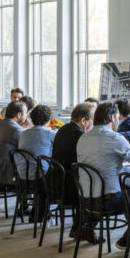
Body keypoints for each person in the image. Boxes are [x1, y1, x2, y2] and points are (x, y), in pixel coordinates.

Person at [76, 101, 130, 248]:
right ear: (112, 118)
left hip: (85, 200)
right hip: (107, 202)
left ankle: (88, 226)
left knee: (126, 190)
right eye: (118, 117)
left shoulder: (83, 138)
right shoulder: (115, 138)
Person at [53, 102, 98, 244]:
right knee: (100, 193)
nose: (94, 124)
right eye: (93, 120)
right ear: (84, 121)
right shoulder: (80, 136)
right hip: (70, 186)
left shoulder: (63, 129)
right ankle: (85, 228)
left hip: (57, 181)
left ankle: (78, 228)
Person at [0, 101, 26, 185]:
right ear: (19, 115)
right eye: (25, 113)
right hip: (5, 173)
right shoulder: (16, 129)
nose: (26, 116)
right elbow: (25, 148)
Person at [16, 104, 56, 180]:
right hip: (40, 174)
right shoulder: (51, 133)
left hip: (21, 172)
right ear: (48, 119)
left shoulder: (23, 133)